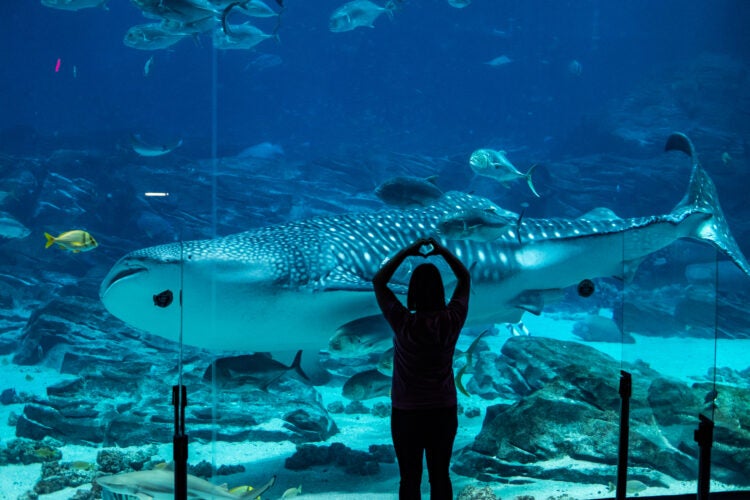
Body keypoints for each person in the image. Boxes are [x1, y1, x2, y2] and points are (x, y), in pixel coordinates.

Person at [372, 237, 471, 500]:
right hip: (443, 409)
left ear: (412, 291)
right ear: (440, 291)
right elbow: (464, 280)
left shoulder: (403, 322)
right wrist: (443, 252)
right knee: (441, 475)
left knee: (409, 478)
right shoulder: (452, 319)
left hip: (407, 412)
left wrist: (407, 252)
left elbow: (379, 282)